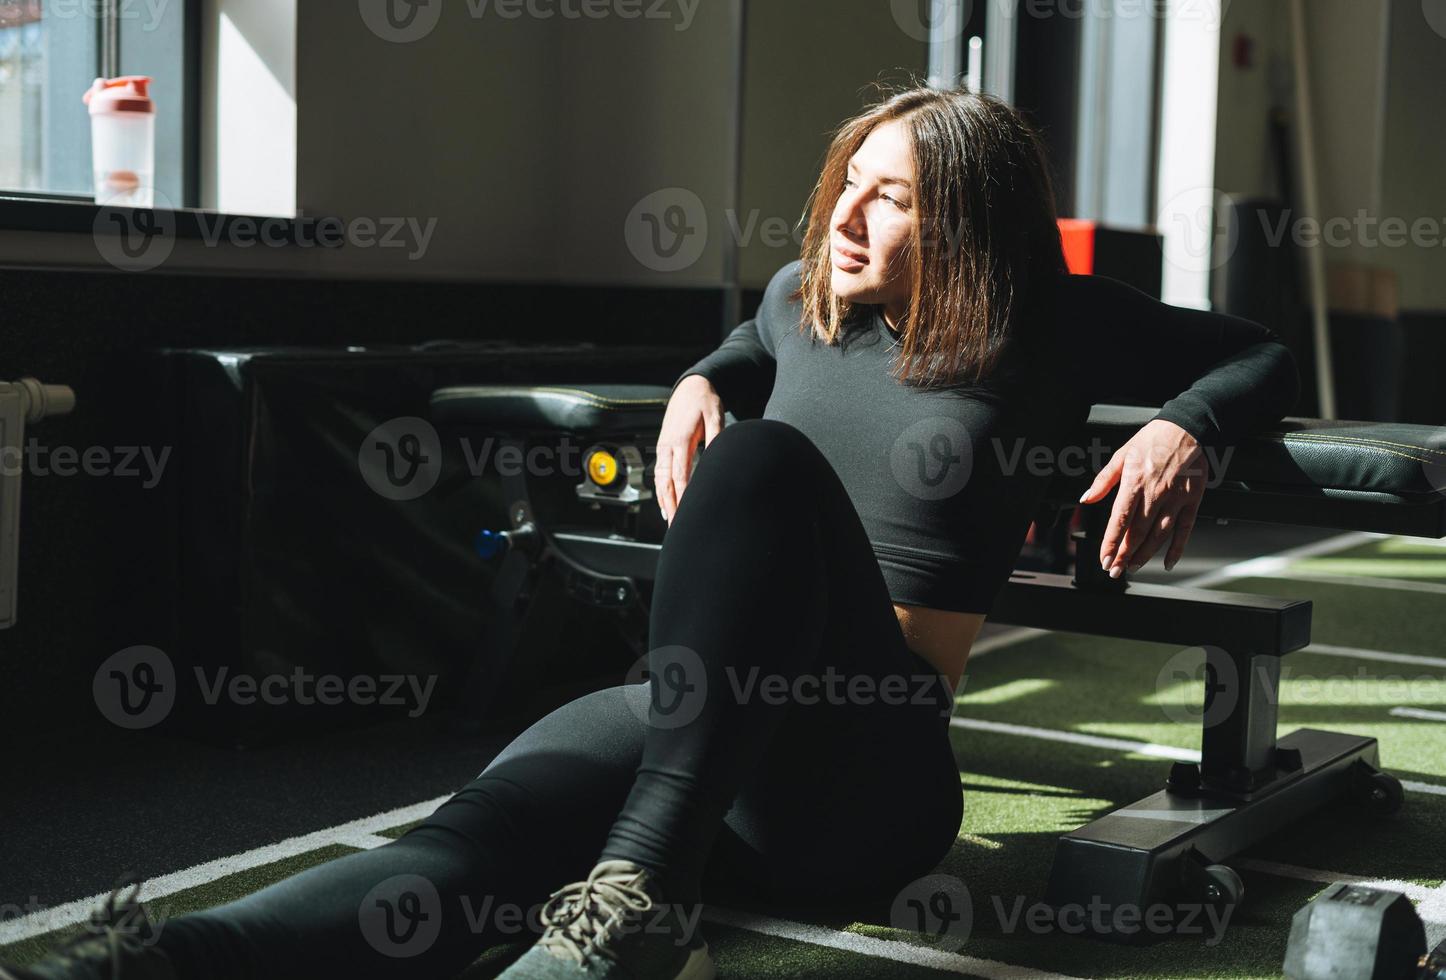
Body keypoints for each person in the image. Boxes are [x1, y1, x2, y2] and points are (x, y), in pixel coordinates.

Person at [3, 84, 1298, 980]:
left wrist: (1183, 424)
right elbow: (745, 343)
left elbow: (1258, 352)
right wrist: (706, 378)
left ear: (962, 221)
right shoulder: (799, 300)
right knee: (464, 842)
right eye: (845, 182)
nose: (844, 214)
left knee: (760, 471)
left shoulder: (1045, 318)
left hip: (863, 772)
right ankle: (175, 955)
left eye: (889, 198)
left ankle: (633, 899)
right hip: (692, 717)